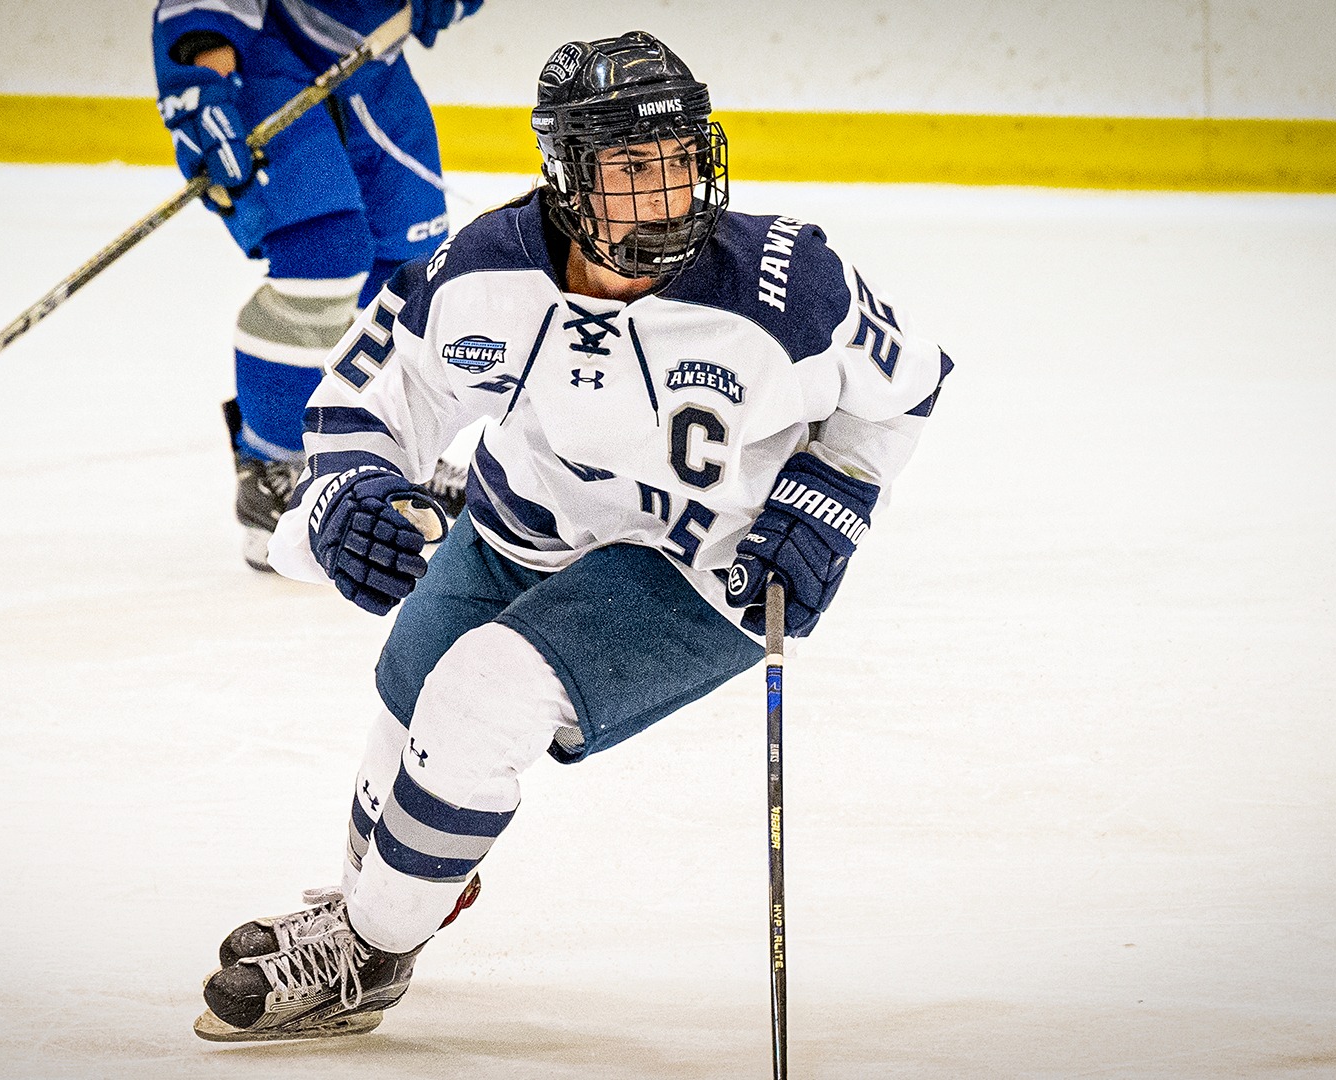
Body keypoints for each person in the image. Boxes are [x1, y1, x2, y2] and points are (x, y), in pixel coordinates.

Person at [191, 29, 955, 1042]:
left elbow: (906, 391)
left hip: (702, 564)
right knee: (406, 701)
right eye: (633, 169)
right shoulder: (483, 270)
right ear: (567, 174)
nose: (668, 194)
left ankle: (367, 955)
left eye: (680, 162)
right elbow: (381, 391)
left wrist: (830, 502)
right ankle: (377, 905)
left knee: (480, 698)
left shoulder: (786, 287)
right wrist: (348, 486)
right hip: (526, 515)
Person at [151, 0, 481, 569]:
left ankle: (386, 454)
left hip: (373, 62)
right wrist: (199, 70)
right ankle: (272, 466)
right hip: (265, 58)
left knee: (411, 270)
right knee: (323, 253)